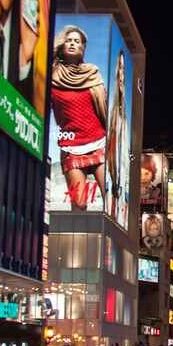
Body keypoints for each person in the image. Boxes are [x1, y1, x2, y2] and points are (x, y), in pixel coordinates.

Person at [50, 25, 108, 211]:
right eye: (69, 40)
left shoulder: (92, 73)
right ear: (62, 45)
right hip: (72, 147)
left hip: (99, 143)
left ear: (83, 47)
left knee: (112, 198)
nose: (73, 44)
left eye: (77, 41)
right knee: (79, 203)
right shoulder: (53, 76)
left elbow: (105, 107)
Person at [105, 48, 130, 221]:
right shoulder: (110, 111)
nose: (121, 75)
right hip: (109, 181)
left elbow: (125, 158)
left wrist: (125, 186)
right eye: (119, 69)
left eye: (123, 70)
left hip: (120, 187)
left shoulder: (124, 116)